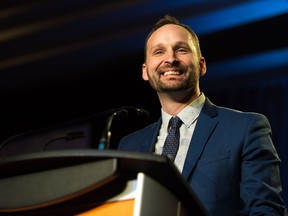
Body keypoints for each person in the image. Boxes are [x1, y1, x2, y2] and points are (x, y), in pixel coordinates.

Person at [117, 15, 286, 215]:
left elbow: (267, 210)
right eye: (159, 51)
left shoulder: (246, 128)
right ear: (145, 72)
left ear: (201, 65)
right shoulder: (129, 147)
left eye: (181, 49)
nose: (170, 59)